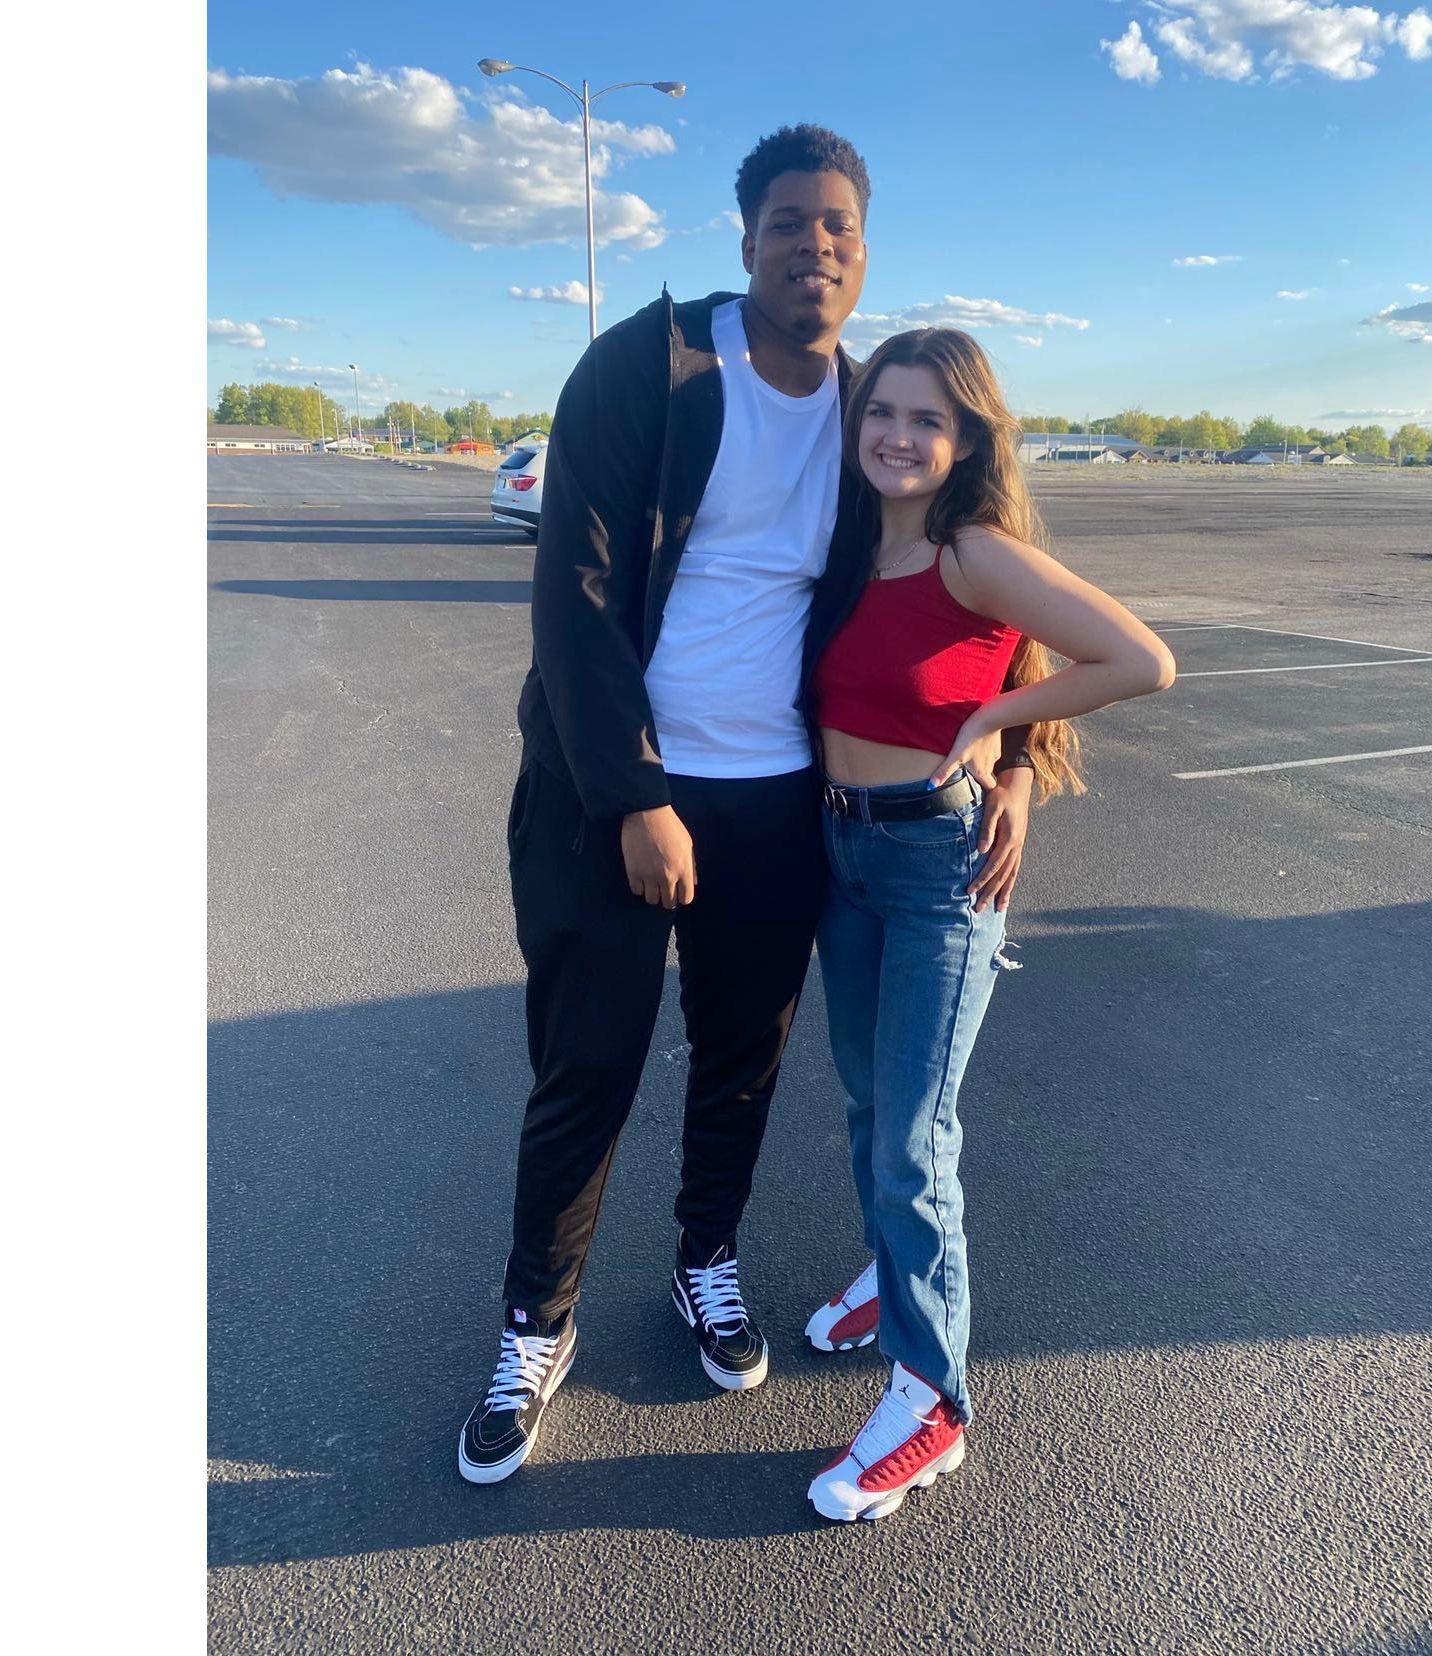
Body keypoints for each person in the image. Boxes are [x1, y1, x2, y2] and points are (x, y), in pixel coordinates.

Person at [459, 127, 1037, 1485]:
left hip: (780, 802)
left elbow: (975, 585)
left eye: (839, 228)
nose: (813, 248)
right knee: (588, 1063)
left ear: (863, 252)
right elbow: (574, 595)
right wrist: (636, 795)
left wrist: (1018, 759)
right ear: (746, 240)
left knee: (741, 1061)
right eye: (789, 223)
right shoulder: (650, 369)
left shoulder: (872, 411)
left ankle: (704, 1260)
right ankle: (536, 1325)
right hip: (614, 794)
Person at [800, 328, 1177, 1522]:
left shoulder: (975, 553)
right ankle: (894, 1275)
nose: (898, 436)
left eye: (928, 419)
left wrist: (996, 729)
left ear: (966, 440)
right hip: (841, 851)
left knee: (915, 1138)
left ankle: (933, 1403)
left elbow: (1140, 660)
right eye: (882, 411)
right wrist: (1009, 747)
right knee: (870, 1103)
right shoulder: (851, 543)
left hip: (936, 865)